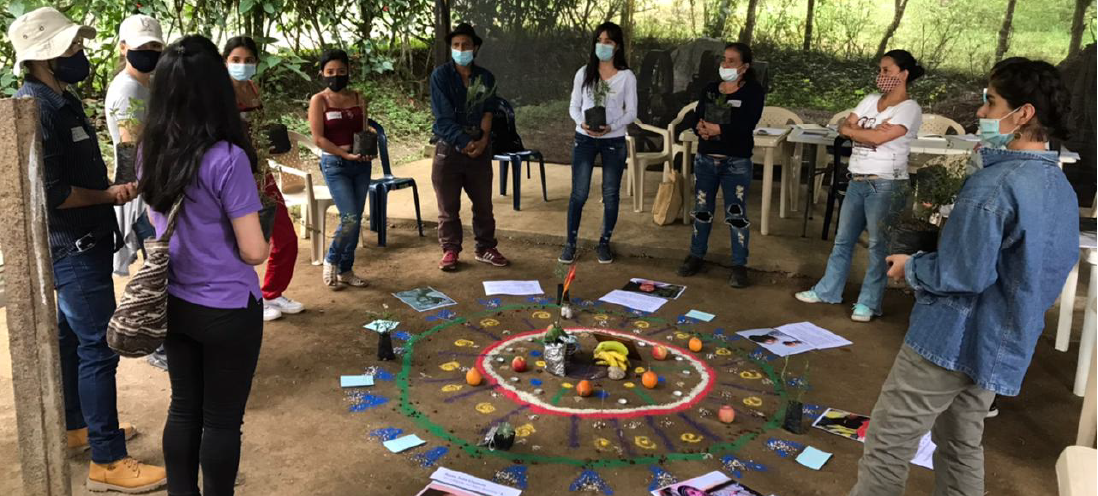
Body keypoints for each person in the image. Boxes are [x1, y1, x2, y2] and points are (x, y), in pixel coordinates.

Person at [847, 57, 1078, 496]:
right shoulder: (1058, 187)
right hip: (999, 341)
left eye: (991, 103)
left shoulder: (995, 186)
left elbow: (964, 273)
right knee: (960, 442)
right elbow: (1045, 268)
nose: (981, 112)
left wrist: (913, 267)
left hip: (947, 337)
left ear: (1024, 114)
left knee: (888, 442)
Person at [8, 7, 166, 492]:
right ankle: (108, 459)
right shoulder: (36, 109)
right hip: (72, 246)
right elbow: (54, 193)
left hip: (86, 240)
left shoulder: (62, 99)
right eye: (72, 47)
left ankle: (77, 427)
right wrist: (109, 195)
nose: (81, 54)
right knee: (98, 346)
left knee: (72, 339)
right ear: (44, 56)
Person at [140, 35, 269, 495]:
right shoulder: (226, 159)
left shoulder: (150, 150)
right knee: (221, 420)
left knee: (183, 409)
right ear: (217, 88)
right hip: (227, 307)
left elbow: (155, 221)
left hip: (174, 301)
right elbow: (253, 252)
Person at [795, 49, 925, 322]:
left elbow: (878, 138)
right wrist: (867, 133)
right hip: (857, 178)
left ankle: (868, 303)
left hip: (886, 183)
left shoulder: (909, 108)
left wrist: (861, 133)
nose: (881, 75)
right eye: (880, 70)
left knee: (878, 246)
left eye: (887, 70)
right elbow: (844, 127)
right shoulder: (870, 100)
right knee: (843, 240)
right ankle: (828, 290)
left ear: (904, 74)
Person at [104, 14, 171, 371]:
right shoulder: (128, 88)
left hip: (151, 187)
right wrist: (146, 194)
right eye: (142, 47)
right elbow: (130, 146)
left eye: (155, 46)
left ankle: (159, 340)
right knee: (157, 270)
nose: (149, 52)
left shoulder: (145, 84)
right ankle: (157, 345)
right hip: (145, 192)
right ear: (123, 48)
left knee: (157, 267)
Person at [224, 36, 306, 321]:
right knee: (238, 241)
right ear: (224, 61)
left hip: (261, 173)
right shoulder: (219, 95)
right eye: (236, 60)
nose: (242, 65)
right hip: (232, 175)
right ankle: (246, 300)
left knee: (285, 235)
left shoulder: (253, 88)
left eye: (248, 60)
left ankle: (272, 292)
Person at [675, 42, 764, 287]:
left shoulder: (753, 92)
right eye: (724, 59)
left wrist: (720, 130)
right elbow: (698, 115)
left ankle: (739, 265)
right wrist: (701, 129)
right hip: (706, 160)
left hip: (736, 162)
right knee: (702, 210)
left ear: (744, 67)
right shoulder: (711, 89)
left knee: (736, 214)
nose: (725, 65)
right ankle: (696, 255)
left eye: (732, 61)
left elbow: (747, 123)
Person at [429, 23, 509, 271]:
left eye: (465, 45)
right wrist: (463, 142)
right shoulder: (440, 76)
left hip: (479, 150)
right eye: (456, 45)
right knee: (448, 207)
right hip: (448, 149)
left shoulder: (485, 77)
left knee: (484, 205)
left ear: (475, 48)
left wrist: (482, 141)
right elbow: (442, 118)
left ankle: (485, 247)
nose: (461, 49)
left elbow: (488, 111)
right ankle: (450, 250)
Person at [559, 21, 637, 265]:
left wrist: (612, 126)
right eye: (599, 40)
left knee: (611, 194)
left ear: (617, 46)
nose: (603, 45)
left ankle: (604, 242)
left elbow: (631, 112)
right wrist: (581, 123)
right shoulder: (584, 73)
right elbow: (574, 105)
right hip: (584, 139)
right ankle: (570, 243)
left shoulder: (626, 77)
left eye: (608, 41)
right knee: (579, 193)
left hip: (613, 141)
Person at [307, 48, 373, 290]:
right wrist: (344, 154)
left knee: (356, 217)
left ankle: (346, 269)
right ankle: (331, 259)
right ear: (322, 74)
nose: (336, 76)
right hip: (335, 164)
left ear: (348, 72)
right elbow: (318, 138)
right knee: (350, 218)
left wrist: (369, 144)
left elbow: (363, 130)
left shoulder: (358, 97)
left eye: (341, 71)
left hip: (361, 164)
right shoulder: (319, 100)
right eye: (330, 72)